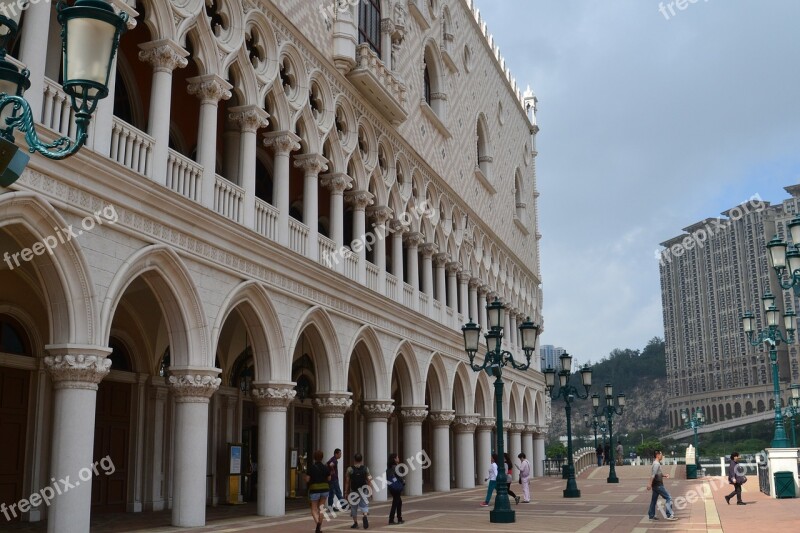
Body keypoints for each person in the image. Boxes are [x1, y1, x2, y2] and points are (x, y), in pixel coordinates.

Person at [305, 450, 331, 533]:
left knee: (313, 509)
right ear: (322, 457)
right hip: (325, 489)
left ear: (314, 457)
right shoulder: (325, 467)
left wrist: (305, 478)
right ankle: (319, 525)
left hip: (314, 489)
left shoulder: (311, 467)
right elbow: (329, 478)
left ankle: (318, 524)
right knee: (321, 508)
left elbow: (307, 479)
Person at [647, 450, 677, 521]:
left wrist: (664, 475)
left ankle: (651, 515)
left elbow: (658, 473)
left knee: (653, 500)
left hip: (656, 485)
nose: (662, 456)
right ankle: (669, 515)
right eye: (661, 454)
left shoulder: (656, 463)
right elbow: (653, 475)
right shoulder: (656, 464)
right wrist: (649, 484)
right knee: (668, 497)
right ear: (657, 455)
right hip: (658, 485)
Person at [344, 453, 372, 529]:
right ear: (361, 459)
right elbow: (369, 479)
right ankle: (365, 515)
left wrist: (346, 492)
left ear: (354, 459)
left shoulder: (350, 469)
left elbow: (347, 481)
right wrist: (369, 489)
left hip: (354, 490)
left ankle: (355, 523)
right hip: (363, 489)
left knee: (353, 506)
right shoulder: (365, 468)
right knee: (364, 504)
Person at [386, 452, 405, 525]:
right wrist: (403, 482)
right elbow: (400, 477)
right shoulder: (396, 467)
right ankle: (391, 519)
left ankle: (399, 518)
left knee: (399, 502)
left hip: (392, 487)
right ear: (394, 459)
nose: (398, 458)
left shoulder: (389, 468)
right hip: (396, 487)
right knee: (395, 503)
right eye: (397, 457)